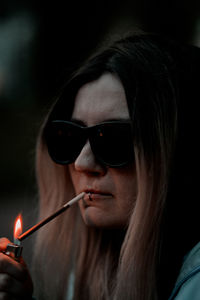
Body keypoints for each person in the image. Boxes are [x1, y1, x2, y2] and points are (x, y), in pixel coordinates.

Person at [0, 32, 200, 300]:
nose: (82, 163)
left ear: (179, 150)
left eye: (113, 140)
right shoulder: (86, 277)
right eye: (68, 137)